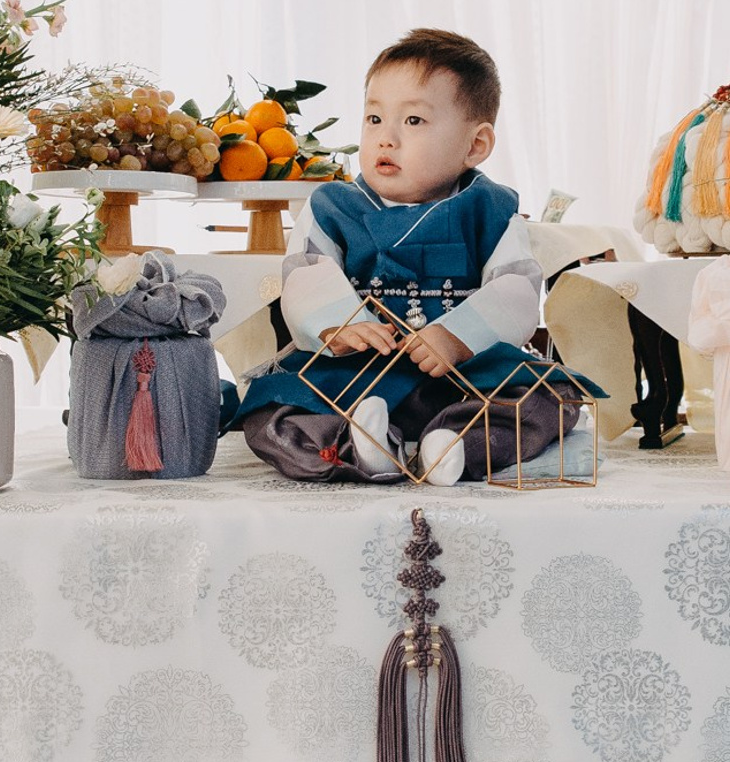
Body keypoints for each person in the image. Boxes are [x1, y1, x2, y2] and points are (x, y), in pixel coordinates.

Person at [237, 28, 597, 484]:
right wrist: (339, 326)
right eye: (373, 119)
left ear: (475, 145)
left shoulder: (490, 210)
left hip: (461, 375)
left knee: (548, 400)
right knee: (274, 411)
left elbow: (517, 286)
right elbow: (307, 272)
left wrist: (458, 335)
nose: (386, 139)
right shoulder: (332, 207)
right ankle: (364, 446)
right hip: (355, 376)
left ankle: (452, 444)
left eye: (413, 122)